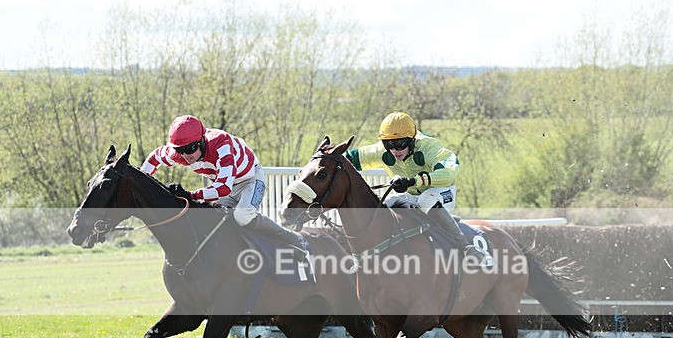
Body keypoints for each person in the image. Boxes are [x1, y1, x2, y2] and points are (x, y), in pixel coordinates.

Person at [141, 115, 308, 261]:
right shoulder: (178, 154)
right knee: (209, 221)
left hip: (251, 179)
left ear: (201, 140)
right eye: (180, 150)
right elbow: (154, 158)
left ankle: (291, 238)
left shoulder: (221, 144)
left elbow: (223, 189)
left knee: (243, 216)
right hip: (225, 184)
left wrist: (191, 195)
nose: (186, 156)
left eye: (190, 149)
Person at [345, 111, 493, 266]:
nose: (394, 150)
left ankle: (466, 246)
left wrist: (414, 181)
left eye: (400, 143)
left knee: (426, 200)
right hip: (412, 195)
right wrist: (324, 157)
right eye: (388, 144)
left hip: (440, 192)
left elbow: (452, 169)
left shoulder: (429, 147)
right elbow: (347, 158)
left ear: (411, 140)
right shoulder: (382, 151)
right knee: (386, 204)